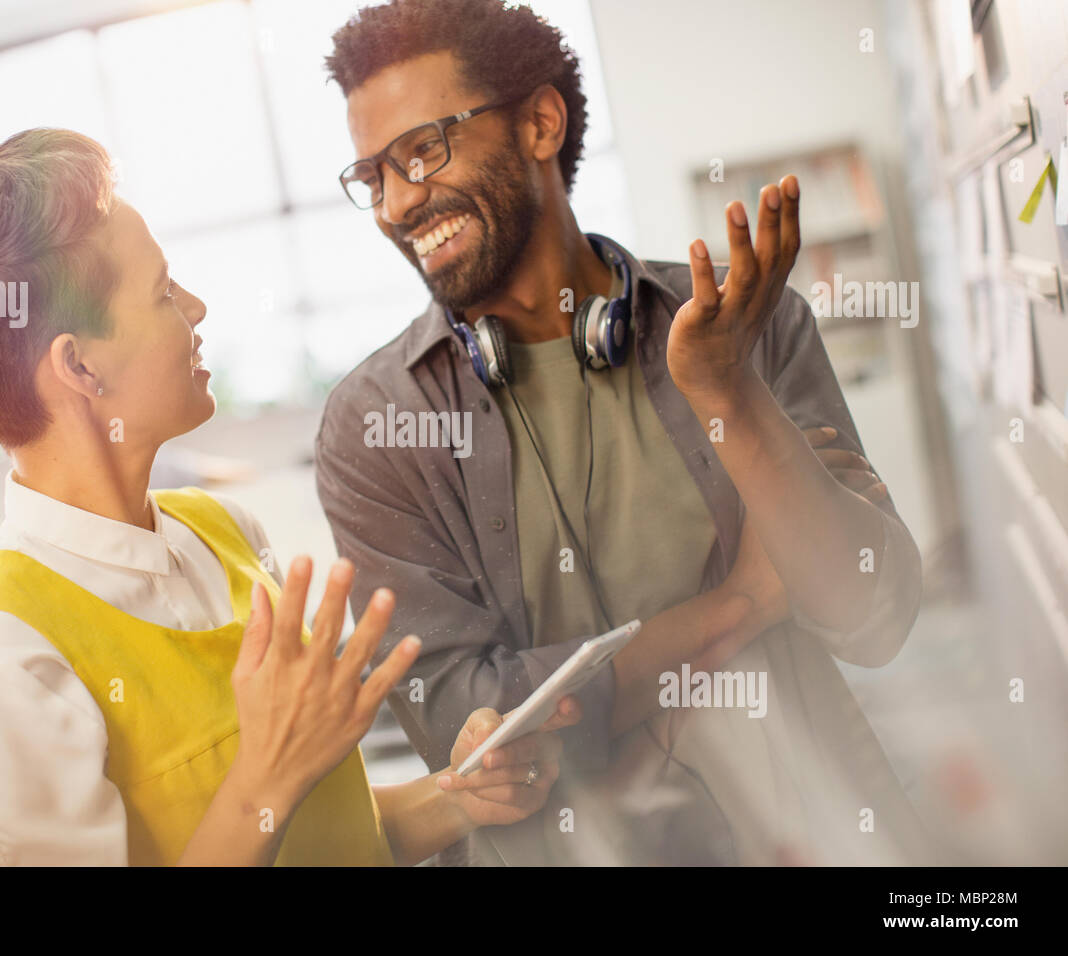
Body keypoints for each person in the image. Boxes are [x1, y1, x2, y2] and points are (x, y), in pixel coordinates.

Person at [314, 0, 934, 865]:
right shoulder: (375, 428)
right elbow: (469, 721)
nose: (397, 203)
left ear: (539, 123)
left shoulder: (742, 322)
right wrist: (744, 601)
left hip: (815, 830)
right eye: (373, 175)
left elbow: (873, 614)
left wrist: (730, 395)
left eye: (423, 150)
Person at [0, 127, 580, 866]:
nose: (197, 307)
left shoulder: (221, 531)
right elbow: (271, 803)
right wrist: (270, 776)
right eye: (161, 292)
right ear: (81, 368)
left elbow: (332, 834)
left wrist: (458, 795)